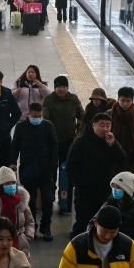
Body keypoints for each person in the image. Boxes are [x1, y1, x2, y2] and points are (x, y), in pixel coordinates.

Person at [66, 113, 127, 238]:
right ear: (93, 125)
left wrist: (113, 145)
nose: (105, 129)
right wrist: (81, 183)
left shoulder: (110, 143)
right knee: (83, 224)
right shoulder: (80, 142)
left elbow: (122, 160)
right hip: (85, 195)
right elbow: (71, 167)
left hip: (105, 195)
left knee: (102, 226)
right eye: (101, 125)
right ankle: (78, 250)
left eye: (108, 125)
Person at [11, 102, 58, 243]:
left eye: (40, 116)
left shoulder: (48, 126)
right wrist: (12, 162)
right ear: (28, 115)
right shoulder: (20, 127)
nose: (37, 118)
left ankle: (46, 226)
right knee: (29, 201)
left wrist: (51, 166)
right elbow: (15, 146)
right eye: (34, 116)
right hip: (28, 169)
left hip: (45, 170)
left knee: (48, 198)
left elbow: (54, 147)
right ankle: (31, 227)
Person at [42, 76, 85, 215]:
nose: (62, 89)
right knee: (52, 170)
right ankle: (51, 198)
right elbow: (45, 118)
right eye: (59, 87)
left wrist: (78, 131)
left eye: (64, 87)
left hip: (69, 142)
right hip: (53, 143)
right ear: (55, 88)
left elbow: (82, 115)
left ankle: (65, 200)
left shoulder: (73, 99)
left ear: (67, 87)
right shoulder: (48, 100)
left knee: (68, 171)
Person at [100, 172, 134, 268]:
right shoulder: (108, 205)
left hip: (129, 259)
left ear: (127, 190)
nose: (115, 190)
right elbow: (93, 223)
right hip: (109, 257)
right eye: (114, 186)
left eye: (119, 187)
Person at [108, 87, 134, 177]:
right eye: (122, 100)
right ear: (118, 99)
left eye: (128, 101)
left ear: (132, 100)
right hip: (111, 162)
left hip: (131, 163)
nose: (125, 104)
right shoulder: (109, 115)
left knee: (129, 190)